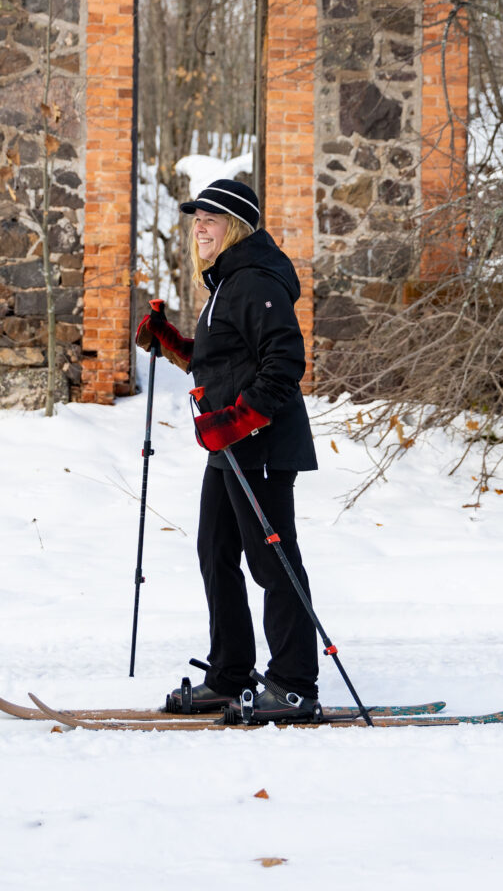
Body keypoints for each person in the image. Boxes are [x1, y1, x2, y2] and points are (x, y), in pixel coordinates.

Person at [136, 178, 320, 722]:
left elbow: (283, 363)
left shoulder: (255, 280)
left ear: (236, 226)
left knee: (272, 562)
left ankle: (293, 686)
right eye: (196, 219)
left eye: (210, 218)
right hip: (231, 446)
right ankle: (230, 675)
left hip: (259, 445)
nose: (199, 226)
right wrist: (169, 341)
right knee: (215, 554)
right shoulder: (228, 284)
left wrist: (238, 423)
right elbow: (222, 360)